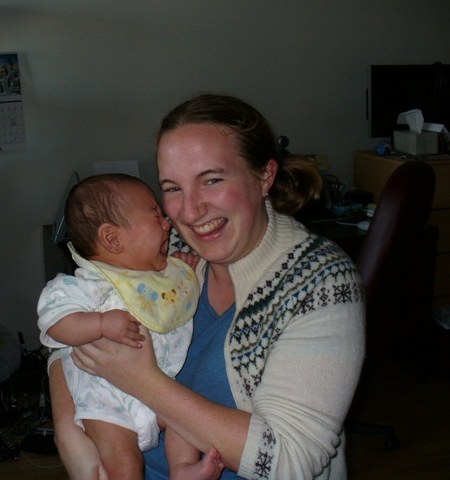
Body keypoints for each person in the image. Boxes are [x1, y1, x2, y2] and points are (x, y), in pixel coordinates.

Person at [48, 94, 366, 479]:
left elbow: (290, 461)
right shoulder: (165, 253)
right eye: (173, 188)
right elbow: (72, 322)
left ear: (264, 176)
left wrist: (142, 381)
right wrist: (68, 429)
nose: (189, 212)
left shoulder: (317, 280)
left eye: (212, 180)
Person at [37, 173, 224, 480]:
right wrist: (100, 323)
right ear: (113, 239)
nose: (168, 224)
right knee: (124, 464)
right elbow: (56, 326)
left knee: (185, 420)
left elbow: (174, 298)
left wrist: (182, 273)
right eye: (156, 217)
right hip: (106, 404)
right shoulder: (86, 284)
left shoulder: (160, 271)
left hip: (160, 394)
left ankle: (182, 468)